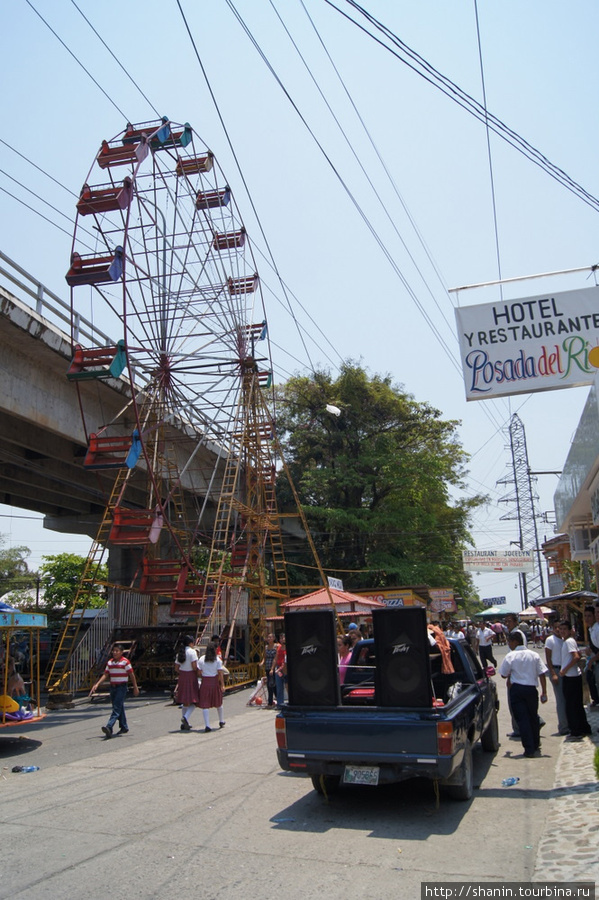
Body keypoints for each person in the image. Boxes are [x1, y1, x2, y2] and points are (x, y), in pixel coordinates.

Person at [498, 631, 548, 757]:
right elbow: (542, 673)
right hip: (531, 690)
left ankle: (529, 749)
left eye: (509, 642)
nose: (508, 644)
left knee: (522, 719)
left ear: (515, 642)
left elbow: (503, 674)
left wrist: (511, 675)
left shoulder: (511, 656)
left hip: (517, 690)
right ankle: (536, 744)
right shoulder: (534, 655)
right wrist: (544, 692)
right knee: (532, 717)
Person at [90, 643, 139, 738]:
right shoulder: (110, 662)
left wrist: (135, 687)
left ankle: (109, 727)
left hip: (122, 687)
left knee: (116, 708)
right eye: (114, 651)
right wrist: (97, 684)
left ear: (121, 652)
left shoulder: (125, 662)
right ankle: (124, 727)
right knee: (118, 706)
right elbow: (106, 674)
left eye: (117, 651)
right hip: (113, 687)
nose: (115, 653)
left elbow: (131, 675)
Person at [558, 620, 592, 741]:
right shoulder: (568, 642)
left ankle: (576, 731)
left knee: (571, 706)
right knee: (576, 705)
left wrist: (564, 670)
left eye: (564, 629)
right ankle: (583, 728)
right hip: (572, 677)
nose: (562, 631)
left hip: (571, 677)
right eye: (560, 629)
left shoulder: (569, 642)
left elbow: (576, 657)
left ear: (570, 630)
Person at [544, 620, 569, 735]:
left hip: (565, 670)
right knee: (561, 700)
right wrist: (553, 673)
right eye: (557, 627)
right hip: (556, 670)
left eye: (561, 628)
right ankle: (563, 727)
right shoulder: (550, 640)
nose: (559, 630)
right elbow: (548, 658)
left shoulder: (564, 640)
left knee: (566, 698)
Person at [197, 642, 225, 732]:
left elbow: (199, 672)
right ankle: (221, 720)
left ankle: (207, 725)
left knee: (205, 705)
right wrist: (222, 685)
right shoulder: (218, 660)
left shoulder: (201, 659)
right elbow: (220, 674)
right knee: (218, 703)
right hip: (214, 682)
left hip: (205, 682)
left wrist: (203, 676)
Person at [175, 635, 200, 731]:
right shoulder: (192, 652)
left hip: (182, 676)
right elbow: (194, 666)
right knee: (195, 699)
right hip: (190, 676)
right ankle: (185, 717)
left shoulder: (180, 653)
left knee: (185, 700)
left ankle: (184, 721)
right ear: (191, 643)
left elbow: (176, 668)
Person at [582, 606, 599, 708]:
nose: (587, 618)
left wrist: (591, 660)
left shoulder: (597, 629)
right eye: (585, 616)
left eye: (589, 616)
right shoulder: (591, 629)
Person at [260, 632, 279, 708]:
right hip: (267, 667)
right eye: (268, 637)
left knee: (273, 685)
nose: (269, 639)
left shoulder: (276, 646)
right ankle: (271, 701)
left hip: (273, 667)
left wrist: (272, 668)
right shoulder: (266, 647)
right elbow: (265, 657)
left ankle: (272, 702)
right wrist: (262, 663)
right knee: (270, 685)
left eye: (270, 637)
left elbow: (275, 658)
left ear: (274, 638)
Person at [274, 633, 286, 708]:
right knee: (279, 687)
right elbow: (276, 658)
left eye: (283, 638)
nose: (281, 639)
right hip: (278, 669)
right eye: (280, 638)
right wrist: (273, 668)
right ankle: (280, 703)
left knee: (287, 686)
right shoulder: (278, 647)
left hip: (285, 668)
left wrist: (281, 667)